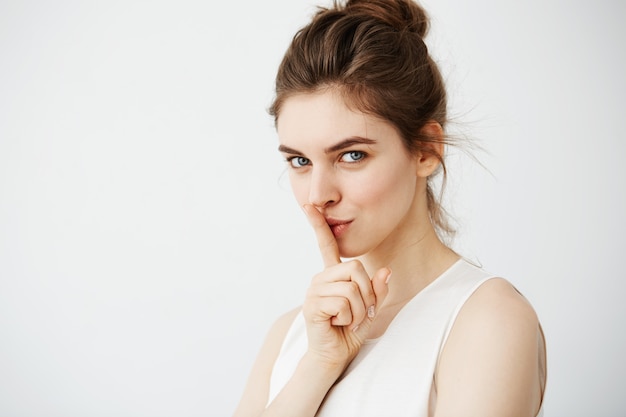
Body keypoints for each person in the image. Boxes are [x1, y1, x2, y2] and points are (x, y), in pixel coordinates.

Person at [233, 0, 547, 416]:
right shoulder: (290, 336)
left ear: (426, 150)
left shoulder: (487, 320)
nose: (317, 194)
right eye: (300, 161)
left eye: (352, 156)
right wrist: (319, 365)